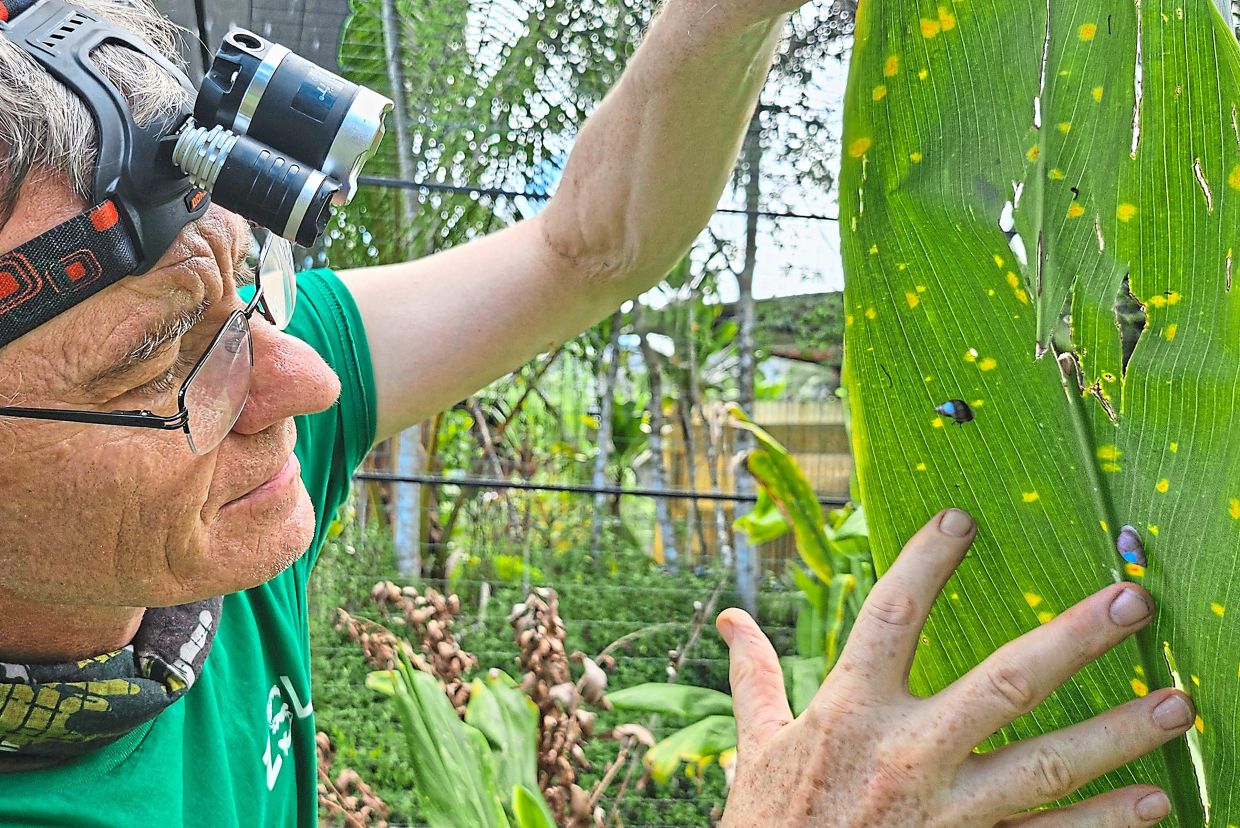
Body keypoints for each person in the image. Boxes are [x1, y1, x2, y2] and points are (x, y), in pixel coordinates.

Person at [0, 0, 1193, 825]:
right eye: (154, 363)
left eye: (255, 287)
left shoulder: (220, 457)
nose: (300, 384)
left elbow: (592, 242)